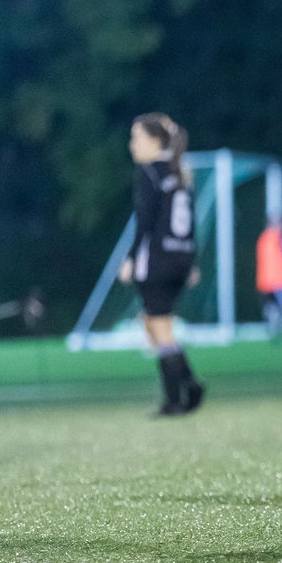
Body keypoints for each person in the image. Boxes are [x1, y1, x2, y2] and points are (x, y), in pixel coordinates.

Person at [118, 112, 204, 416]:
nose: (132, 145)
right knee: (154, 322)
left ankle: (179, 395)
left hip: (157, 258)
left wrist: (130, 259)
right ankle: (186, 389)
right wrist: (192, 261)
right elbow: (189, 222)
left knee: (158, 327)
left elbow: (145, 222)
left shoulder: (150, 172)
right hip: (181, 257)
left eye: (136, 138)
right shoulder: (179, 170)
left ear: (155, 141)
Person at [256, 214, 282, 336]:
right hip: (279, 279)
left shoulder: (263, 237)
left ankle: (274, 328)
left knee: (272, 306)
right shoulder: (281, 237)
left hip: (265, 280)